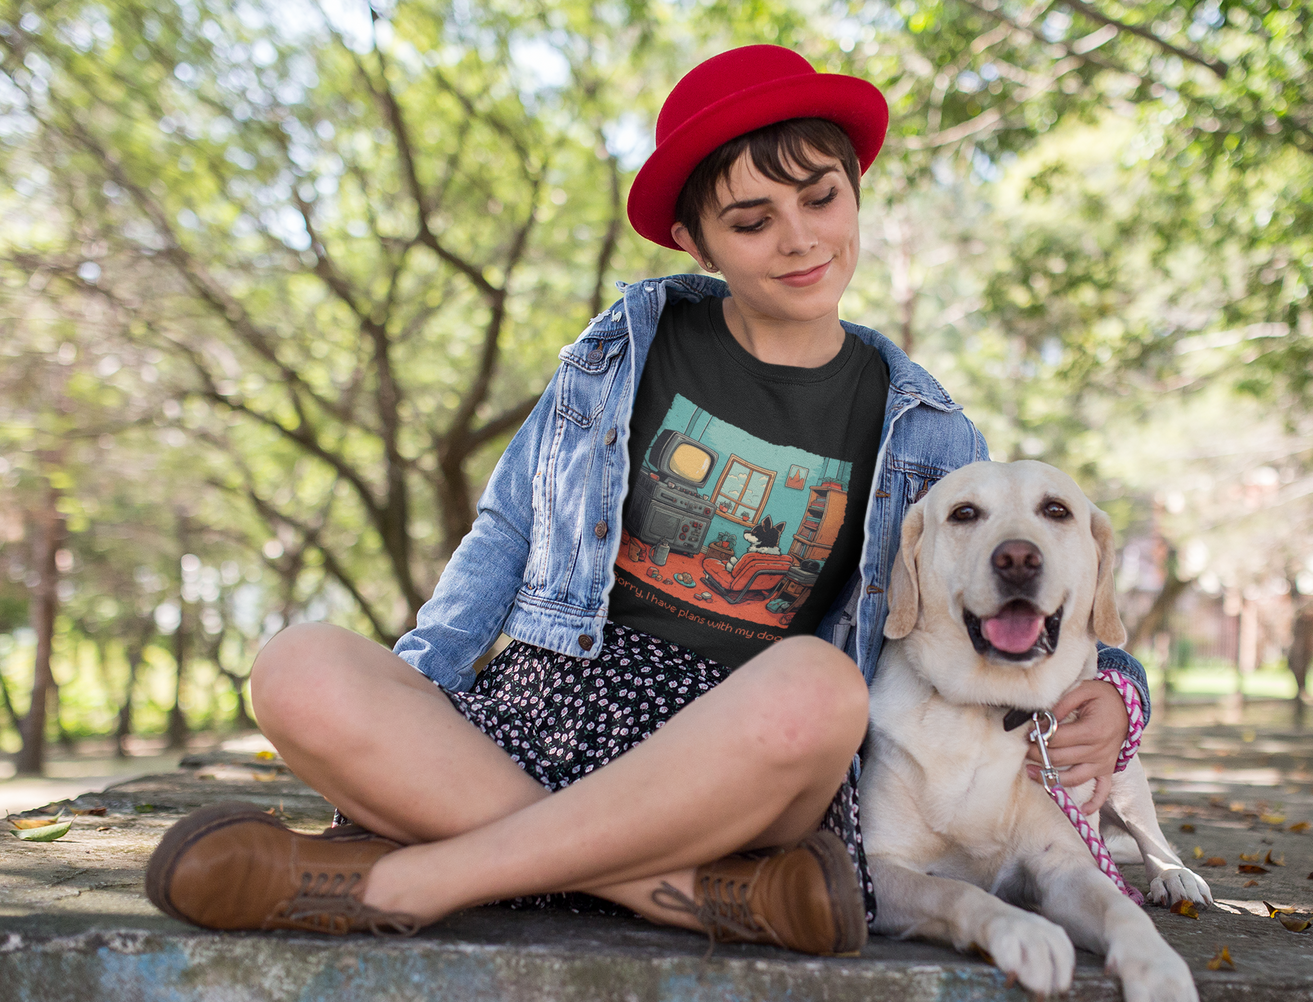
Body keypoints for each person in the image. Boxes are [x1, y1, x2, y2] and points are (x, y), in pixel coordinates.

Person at [144, 45, 1151, 954]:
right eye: (751, 220)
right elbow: (504, 529)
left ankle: (413, 876)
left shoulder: (930, 435)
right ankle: (684, 893)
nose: (798, 240)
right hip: (547, 705)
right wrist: (415, 697)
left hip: (737, 751)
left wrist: (1116, 691)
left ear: (855, 192)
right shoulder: (624, 346)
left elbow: (1027, 594)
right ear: (694, 238)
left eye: (820, 199)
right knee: (295, 665)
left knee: (823, 691)